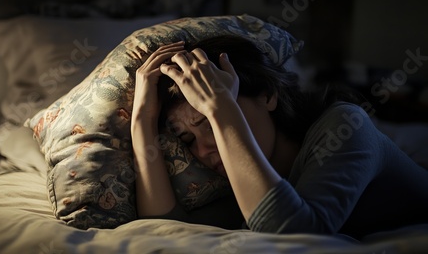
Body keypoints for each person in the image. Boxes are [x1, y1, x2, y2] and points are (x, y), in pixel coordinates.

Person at [130, 35, 428, 240]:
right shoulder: (246, 178)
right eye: (187, 139)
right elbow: (170, 231)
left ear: (268, 95)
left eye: (208, 122)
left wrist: (220, 108)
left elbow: (291, 236)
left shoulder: (346, 125)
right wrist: (142, 120)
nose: (205, 148)